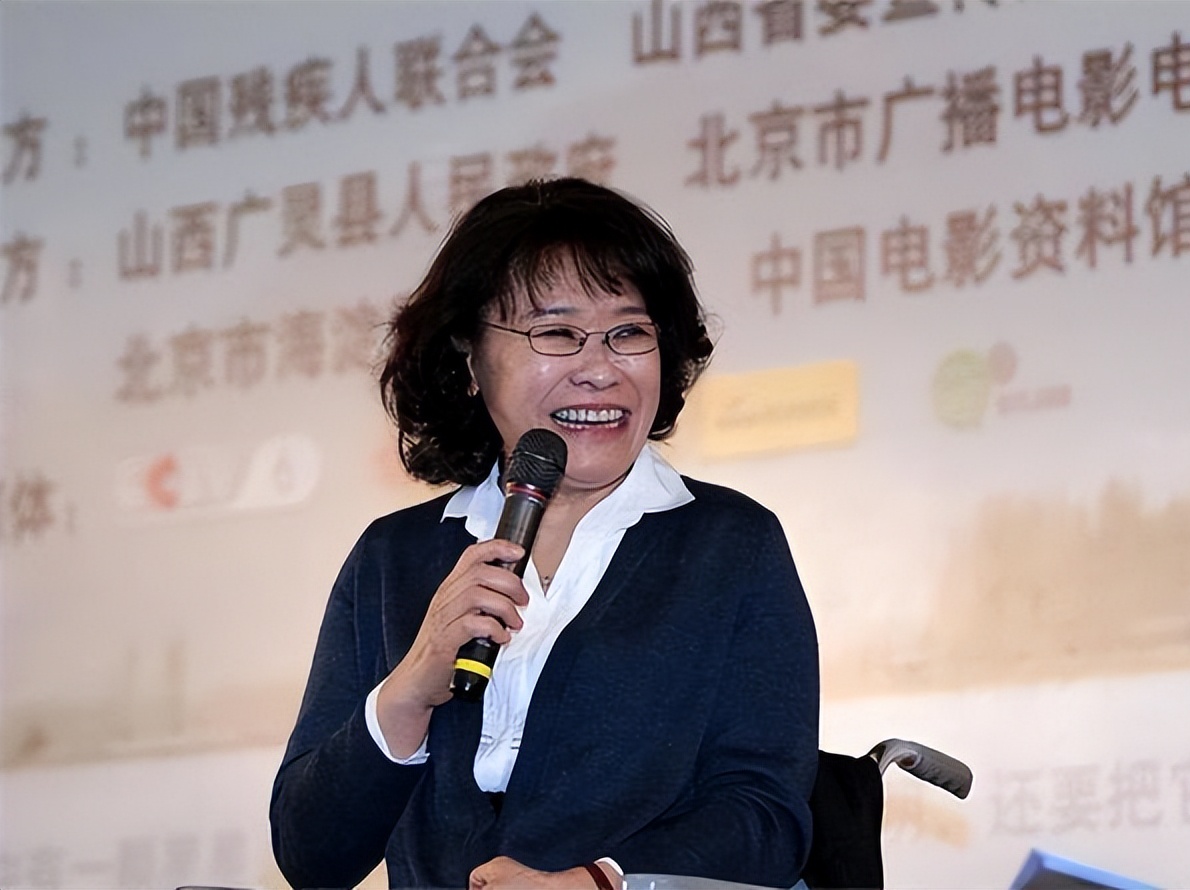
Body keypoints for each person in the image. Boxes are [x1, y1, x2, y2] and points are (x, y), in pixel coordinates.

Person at [270, 178, 820, 890]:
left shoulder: (730, 544)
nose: (599, 370)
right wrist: (410, 686)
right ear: (469, 358)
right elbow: (311, 857)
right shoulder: (393, 557)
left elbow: (765, 816)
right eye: (557, 334)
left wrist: (598, 882)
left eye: (629, 333)